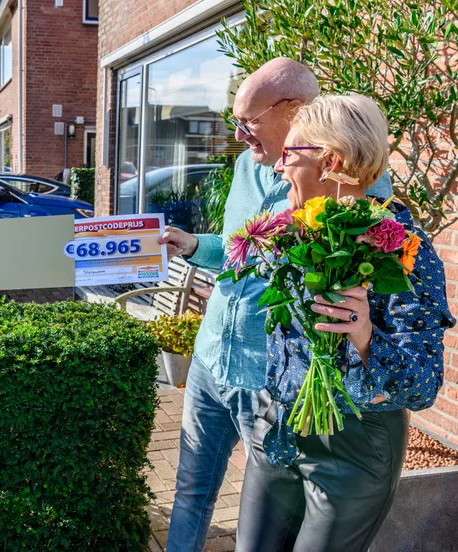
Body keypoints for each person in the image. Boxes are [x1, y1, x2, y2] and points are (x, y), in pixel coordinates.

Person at [158, 58, 393, 552]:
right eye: (236, 121)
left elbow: (355, 286)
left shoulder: (353, 186)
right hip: (210, 353)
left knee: (264, 509)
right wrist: (194, 245)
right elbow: (238, 245)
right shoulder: (246, 166)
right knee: (191, 489)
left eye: (249, 121)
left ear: (293, 109)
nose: (241, 134)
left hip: (265, 373)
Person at [235, 93, 455, 551]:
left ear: (330, 159)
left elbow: (422, 384)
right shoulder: (291, 230)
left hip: (354, 449)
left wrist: (364, 336)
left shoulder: (404, 248)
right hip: (276, 428)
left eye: (289, 154)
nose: (276, 167)